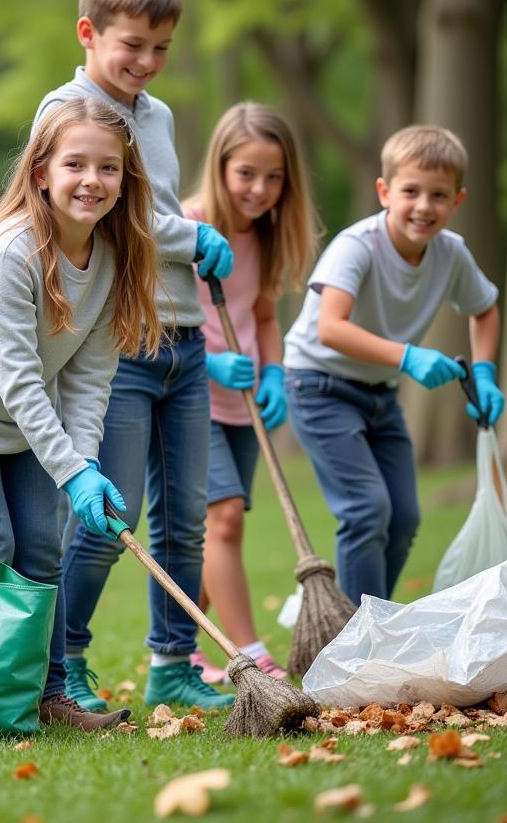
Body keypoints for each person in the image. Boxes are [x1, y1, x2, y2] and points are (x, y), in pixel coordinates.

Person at [0, 97, 161, 730]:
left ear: (124, 180)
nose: (92, 180)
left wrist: (80, 463)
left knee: (44, 549)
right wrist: (71, 471)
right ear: (41, 172)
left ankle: (49, 697)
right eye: (75, 163)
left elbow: (88, 380)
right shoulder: (12, 250)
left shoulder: (111, 257)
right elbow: (17, 377)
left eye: (108, 168)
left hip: (26, 420)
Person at [37, 0, 236, 712]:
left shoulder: (158, 115)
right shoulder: (66, 110)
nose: (146, 63)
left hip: (183, 335)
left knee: (186, 515)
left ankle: (174, 666)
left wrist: (187, 237)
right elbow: (106, 213)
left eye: (161, 49)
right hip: (113, 342)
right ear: (89, 34)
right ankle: (66, 666)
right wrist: (191, 233)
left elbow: (156, 215)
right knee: (107, 515)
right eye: (132, 46)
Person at [283, 124, 505, 605]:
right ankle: (363, 637)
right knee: (367, 509)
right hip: (317, 386)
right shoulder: (357, 246)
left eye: (438, 195)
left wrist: (484, 372)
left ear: (457, 201)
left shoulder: (451, 254)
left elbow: (484, 307)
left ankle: (364, 614)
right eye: (411, 191)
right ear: (385, 191)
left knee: (403, 517)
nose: (424, 206)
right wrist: (409, 356)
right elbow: (331, 327)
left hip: (379, 393)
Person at [182, 103, 319, 685]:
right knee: (226, 518)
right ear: (220, 166)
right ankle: (250, 652)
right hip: (192, 397)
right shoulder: (187, 228)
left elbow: (262, 314)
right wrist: (211, 363)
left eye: (274, 177)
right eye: (247, 174)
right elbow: (154, 321)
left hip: (244, 406)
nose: (260, 189)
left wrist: (273, 374)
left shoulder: (263, 236)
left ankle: (183, 647)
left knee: (221, 526)